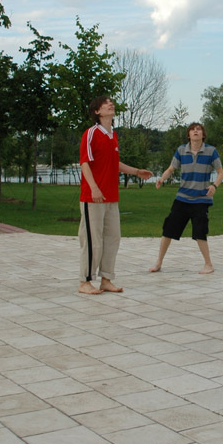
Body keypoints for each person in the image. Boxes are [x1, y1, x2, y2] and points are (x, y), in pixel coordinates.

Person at [78, 95, 154, 295]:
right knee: (93, 239)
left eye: (111, 103)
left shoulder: (113, 135)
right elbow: (85, 162)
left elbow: (115, 164)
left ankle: (106, 279)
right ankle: (85, 281)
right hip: (92, 197)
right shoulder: (91, 133)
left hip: (111, 197)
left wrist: (137, 172)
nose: (110, 105)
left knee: (113, 238)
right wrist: (94, 187)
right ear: (97, 112)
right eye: (105, 104)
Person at [149, 123, 223, 275]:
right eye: (192, 129)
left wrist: (214, 186)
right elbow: (171, 169)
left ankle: (208, 264)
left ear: (203, 135)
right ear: (188, 134)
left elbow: (220, 172)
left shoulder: (211, 151)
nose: (195, 131)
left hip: (202, 199)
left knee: (200, 232)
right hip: (182, 197)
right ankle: (158, 262)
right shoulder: (181, 150)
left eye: (199, 129)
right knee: (168, 230)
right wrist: (161, 179)